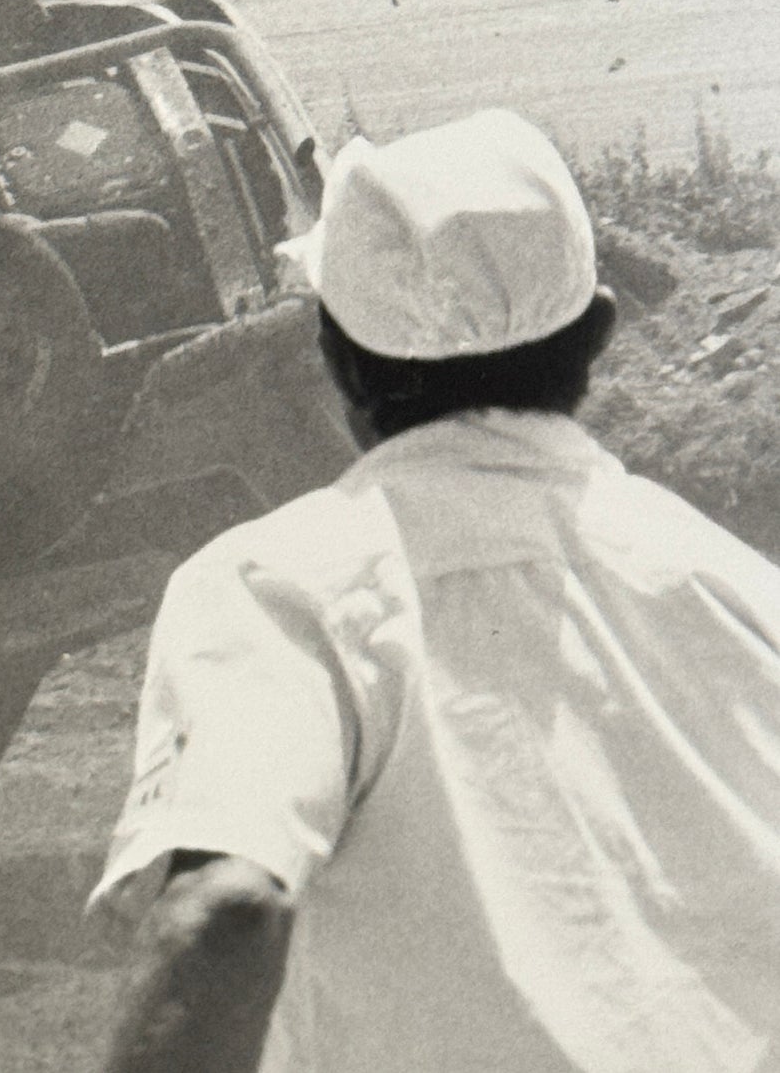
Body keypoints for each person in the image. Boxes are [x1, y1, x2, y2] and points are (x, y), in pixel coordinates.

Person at [92, 108, 780, 1073]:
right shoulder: (736, 585)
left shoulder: (273, 586)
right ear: (598, 334)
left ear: (333, 358)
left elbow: (228, 911)